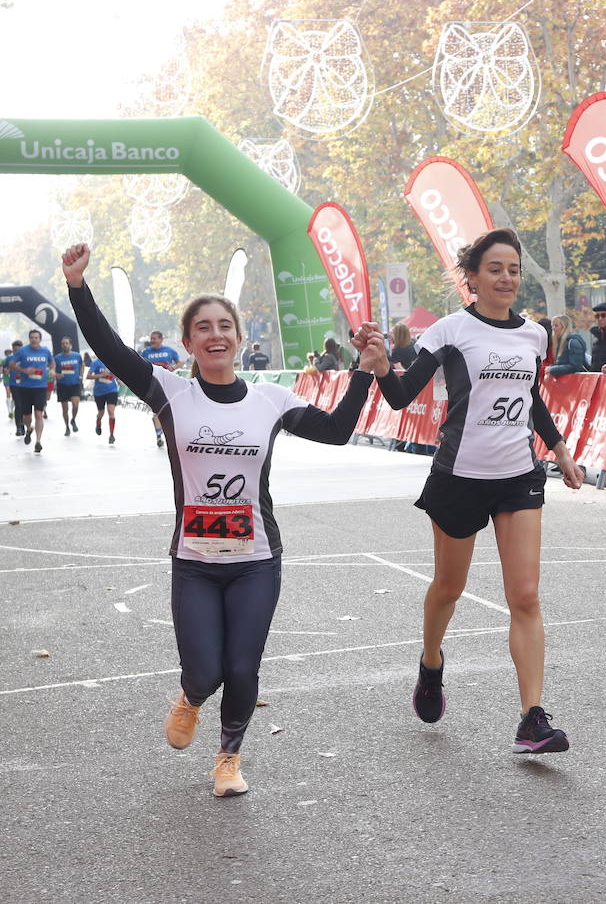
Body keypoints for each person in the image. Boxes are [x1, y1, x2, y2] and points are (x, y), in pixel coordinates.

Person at [63, 241, 379, 797]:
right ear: (188, 342)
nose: (215, 335)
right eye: (203, 327)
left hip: (257, 559)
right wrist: (77, 287)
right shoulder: (170, 393)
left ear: (238, 338)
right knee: (205, 671)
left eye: (224, 325)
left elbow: (335, 430)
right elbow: (110, 349)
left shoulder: (270, 400)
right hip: (196, 562)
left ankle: (228, 759)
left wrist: (365, 373)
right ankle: (190, 697)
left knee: (243, 666)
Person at [351, 227, 584, 755]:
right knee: (448, 590)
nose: (507, 278)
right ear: (472, 278)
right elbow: (401, 396)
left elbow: (530, 398)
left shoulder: (534, 335)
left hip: (518, 478)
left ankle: (532, 718)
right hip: (458, 478)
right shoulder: (450, 331)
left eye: (514, 269)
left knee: (525, 596)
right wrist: (383, 364)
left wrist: (560, 447)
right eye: (496, 268)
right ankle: (431, 661)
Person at [11, 329, 54, 453]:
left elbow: (52, 363)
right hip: (25, 388)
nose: (34, 339)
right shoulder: (22, 351)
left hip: (41, 387)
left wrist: (51, 370)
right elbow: (12, 365)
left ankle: (38, 441)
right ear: (29, 339)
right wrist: (24, 371)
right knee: (27, 416)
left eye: (36, 337)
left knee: (39, 414)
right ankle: (29, 428)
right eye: (32, 338)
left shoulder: (45, 351)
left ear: (40, 339)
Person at [140, 331, 182, 447]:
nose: (152, 341)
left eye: (154, 338)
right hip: (152, 385)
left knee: (167, 410)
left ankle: (167, 433)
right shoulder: (146, 352)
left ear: (161, 339)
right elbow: (139, 365)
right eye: (151, 338)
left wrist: (173, 367)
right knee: (156, 411)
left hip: (167, 384)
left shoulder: (169, 351)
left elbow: (179, 362)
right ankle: (159, 435)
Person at [86, 354, 119, 443]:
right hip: (99, 392)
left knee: (111, 411)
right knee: (101, 412)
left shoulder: (113, 362)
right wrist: (101, 375)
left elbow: (118, 374)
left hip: (112, 390)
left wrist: (120, 380)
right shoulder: (96, 363)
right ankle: (98, 422)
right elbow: (88, 376)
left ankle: (111, 435)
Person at [54, 336, 84, 436]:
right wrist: (57, 375)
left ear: (70, 345)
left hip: (75, 384)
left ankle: (73, 420)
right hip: (62, 385)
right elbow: (53, 371)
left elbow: (82, 365)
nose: (65, 345)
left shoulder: (77, 356)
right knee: (65, 409)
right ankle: (67, 427)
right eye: (63, 343)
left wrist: (81, 375)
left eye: (66, 343)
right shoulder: (57, 358)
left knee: (75, 405)